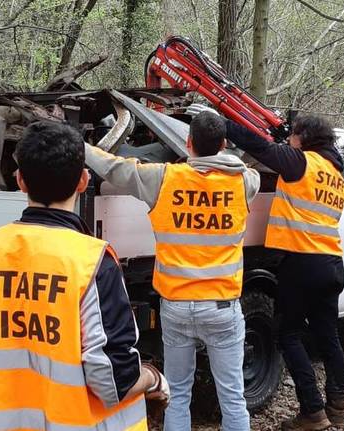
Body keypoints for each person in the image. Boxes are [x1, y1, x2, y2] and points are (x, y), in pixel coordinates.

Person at [0, 121, 169, 431]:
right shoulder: (92, 262)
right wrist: (153, 378)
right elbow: (112, 381)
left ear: (20, 181)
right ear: (83, 180)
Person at [86, 111, 260, 431]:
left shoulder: (163, 178)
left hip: (177, 306)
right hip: (222, 308)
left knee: (178, 394)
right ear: (223, 144)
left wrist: (80, 146)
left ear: (188, 142)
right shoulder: (246, 181)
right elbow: (244, 165)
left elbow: (113, 167)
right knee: (233, 398)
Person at [227, 115, 344, 431]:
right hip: (333, 263)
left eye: (293, 136)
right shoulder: (337, 176)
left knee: (288, 334)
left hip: (303, 263)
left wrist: (223, 126)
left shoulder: (301, 163)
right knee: (328, 335)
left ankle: (312, 411)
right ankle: (337, 403)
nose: (289, 141)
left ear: (304, 139)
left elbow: (260, 147)